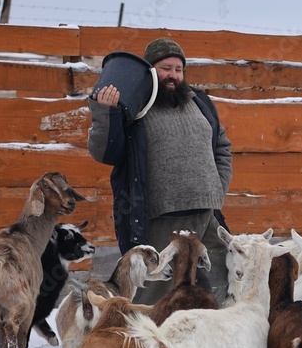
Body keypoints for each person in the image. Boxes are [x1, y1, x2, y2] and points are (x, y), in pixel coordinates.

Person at [87, 37, 233, 304]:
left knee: (220, 284)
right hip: (160, 217)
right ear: (150, 71)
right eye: (166, 68)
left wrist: (217, 187)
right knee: (154, 295)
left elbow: (222, 147)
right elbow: (105, 152)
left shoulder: (200, 102)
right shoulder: (134, 106)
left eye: (178, 69)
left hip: (206, 215)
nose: (173, 75)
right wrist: (106, 113)